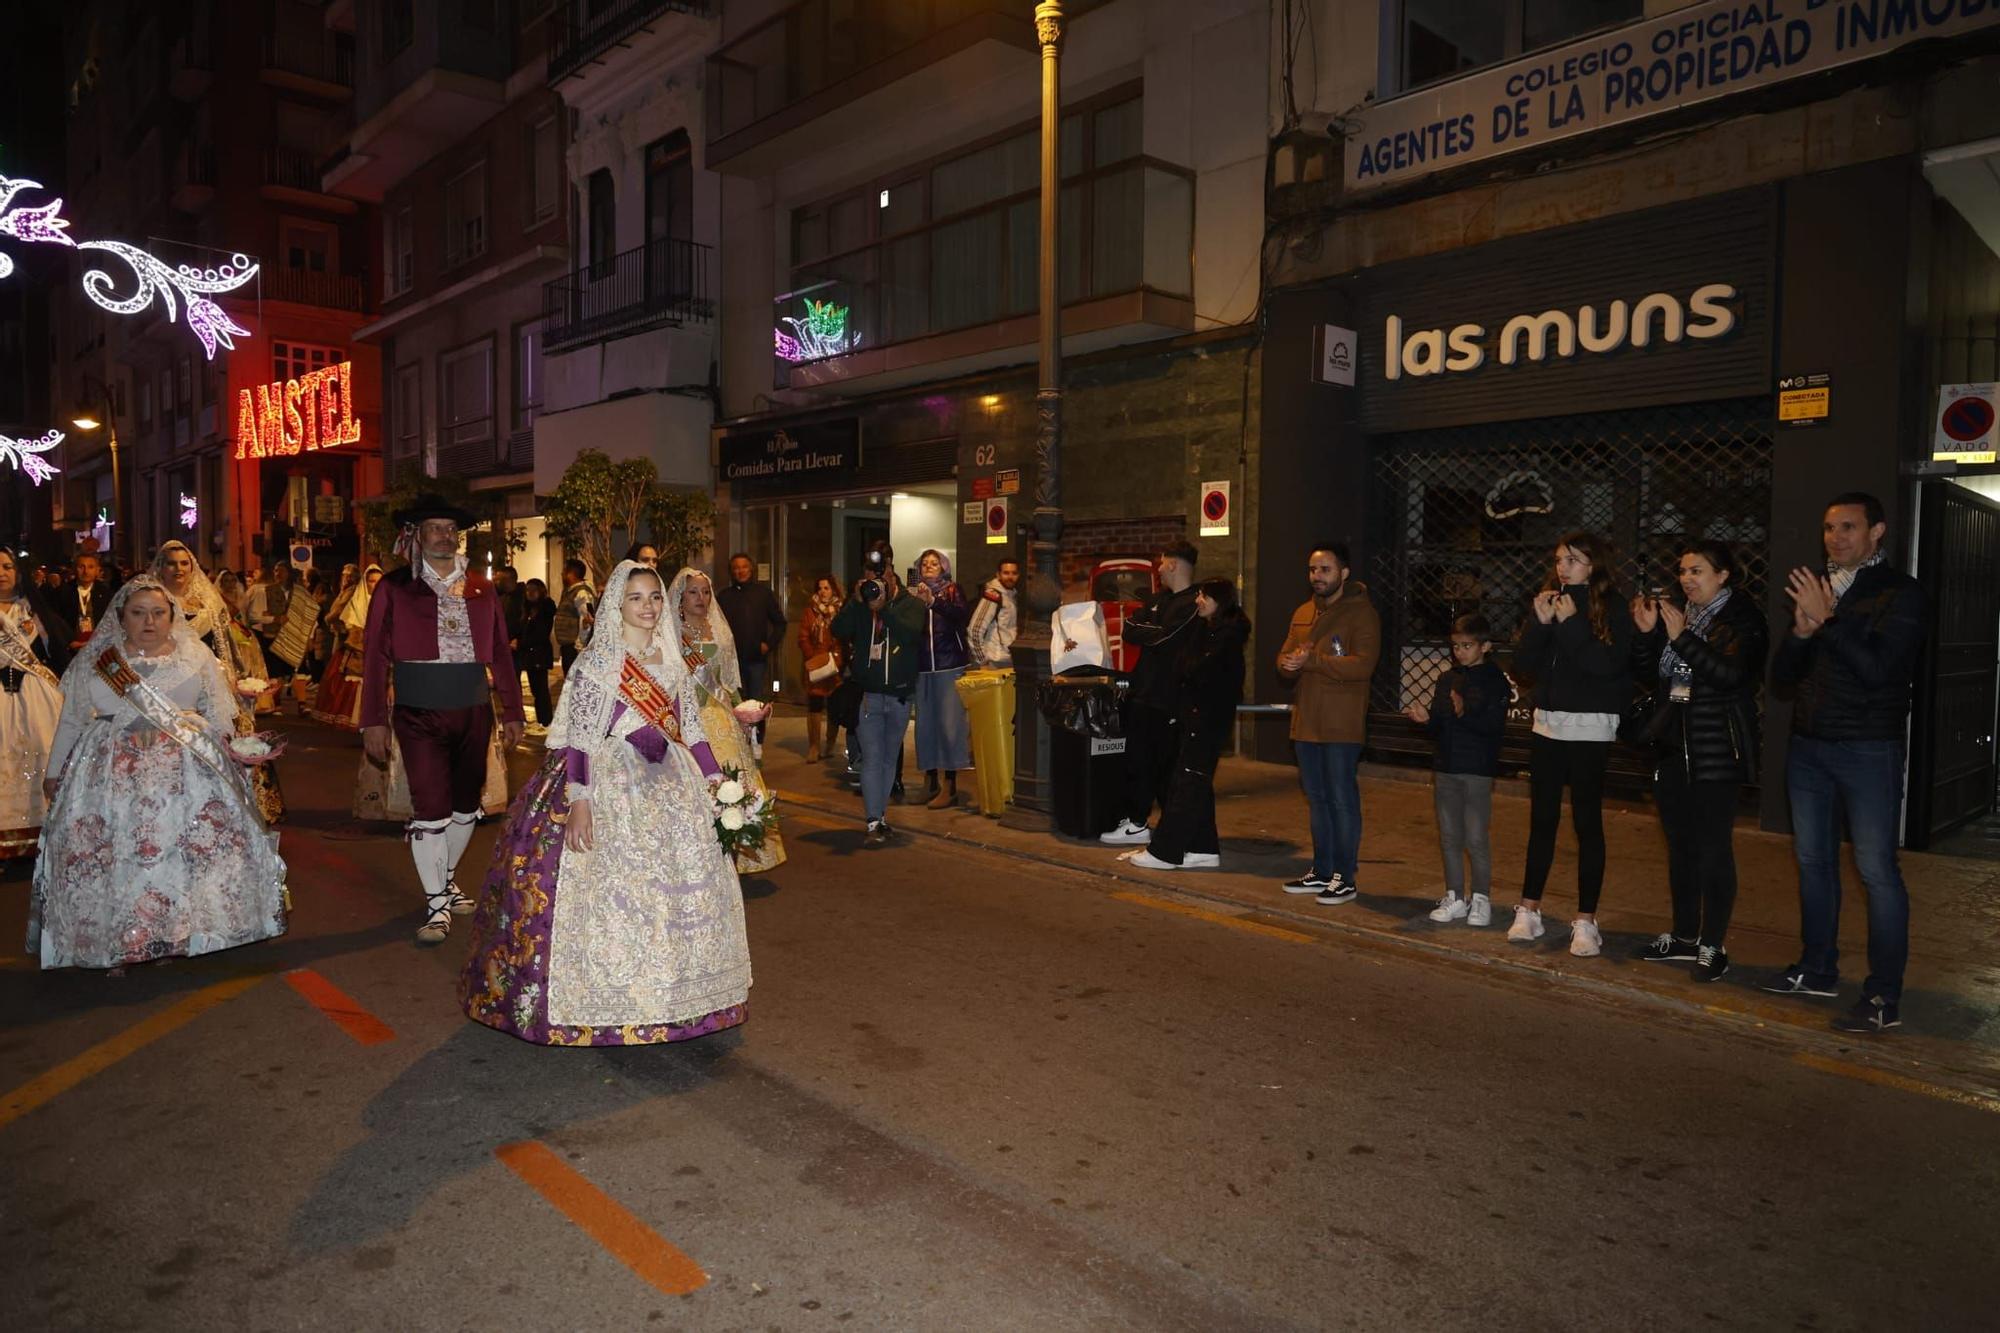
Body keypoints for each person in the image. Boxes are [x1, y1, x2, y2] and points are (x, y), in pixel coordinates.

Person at [458, 561, 750, 1046]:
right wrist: (580, 802)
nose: (647, 607)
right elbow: (583, 739)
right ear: (617, 604)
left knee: (685, 892)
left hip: (671, 778)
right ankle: (607, 1000)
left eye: (654, 597)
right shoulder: (598, 661)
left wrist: (717, 782)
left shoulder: (673, 657)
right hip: (609, 777)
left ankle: (683, 997)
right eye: (636, 598)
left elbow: (692, 731)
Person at [29, 578, 287, 971]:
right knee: (117, 856)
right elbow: (72, 720)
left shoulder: (194, 656)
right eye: (138, 613)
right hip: (110, 775)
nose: (149, 621)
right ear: (120, 617)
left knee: (179, 855)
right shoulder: (99, 659)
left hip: (185, 776)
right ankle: (120, 938)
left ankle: (176, 932)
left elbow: (218, 713)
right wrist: (54, 771)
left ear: (172, 616)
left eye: (158, 613)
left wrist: (236, 752)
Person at [1762, 492, 1924, 1033]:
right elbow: (1783, 679)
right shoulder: (1819, 588)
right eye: (1830, 528)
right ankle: (1817, 968)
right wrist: (1803, 633)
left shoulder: (1901, 592)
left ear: (1877, 532)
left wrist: (1828, 621)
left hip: (1868, 749)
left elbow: (1880, 669)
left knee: (1877, 871)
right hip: (1809, 747)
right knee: (1813, 862)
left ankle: (1882, 997)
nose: (1836, 538)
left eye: (1849, 528)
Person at [360, 496, 527, 945]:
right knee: (430, 809)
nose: (445, 537)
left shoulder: (480, 587)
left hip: (473, 707)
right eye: (434, 528)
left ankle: (446, 878)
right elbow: (374, 653)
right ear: (416, 535)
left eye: (451, 530)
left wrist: (512, 710)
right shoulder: (395, 587)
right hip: (418, 712)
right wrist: (373, 720)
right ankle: (436, 904)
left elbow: (498, 652)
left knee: (466, 808)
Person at [1627, 542, 1767, 981]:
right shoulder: (1680, 619)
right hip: (1673, 741)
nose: (1687, 579)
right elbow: (1654, 676)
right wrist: (1648, 635)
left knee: (1713, 849)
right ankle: (1685, 936)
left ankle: (1713, 943)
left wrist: (1680, 637)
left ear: (1723, 575)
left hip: (1716, 746)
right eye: (1683, 570)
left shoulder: (1743, 618)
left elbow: (1730, 675)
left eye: (1698, 571)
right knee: (1680, 846)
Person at [1507, 531, 1634, 957]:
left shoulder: (1612, 606)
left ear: (1593, 565)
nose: (1564, 567)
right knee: (1542, 820)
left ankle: (1586, 919)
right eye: (1560, 559)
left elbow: (1606, 666)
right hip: (1548, 724)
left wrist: (1572, 623)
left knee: (1586, 822)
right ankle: (1529, 908)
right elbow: (1523, 668)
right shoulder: (1550, 599)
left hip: (1591, 726)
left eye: (1574, 560)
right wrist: (1540, 625)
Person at [1276, 541, 1381, 906]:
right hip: (1306, 721)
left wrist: (1312, 661)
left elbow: (1363, 665)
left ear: (1344, 573)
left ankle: (1344, 876)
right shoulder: (1304, 611)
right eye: (1312, 570)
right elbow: (1285, 655)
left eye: (1325, 570)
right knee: (1317, 800)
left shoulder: (1362, 614)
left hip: (1341, 724)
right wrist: (1288, 662)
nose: (1316, 577)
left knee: (1341, 800)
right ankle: (1321, 871)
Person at [150, 540, 286, 823]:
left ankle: (232, 813)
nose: (178, 569)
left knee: (231, 738)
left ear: (192, 567)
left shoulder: (209, 603)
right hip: (166, 687)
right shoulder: (150, 602)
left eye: (184, 563)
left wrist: (239, 683)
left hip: (207, 682)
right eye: (171, 563)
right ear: (160, 567)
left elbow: (226, 648)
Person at [667, 567, 786, 874]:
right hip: (685, 719)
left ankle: (734, 852)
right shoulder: (668, 633)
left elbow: (728, 682)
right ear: (680, 597)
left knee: (735, 780)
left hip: (720, 716)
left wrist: (744, 713)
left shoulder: (718, 630)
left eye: (705, 592)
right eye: (693, 592)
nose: (701, 598)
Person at [1126, 578, 1249, 871]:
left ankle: (1165, 851)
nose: (1198, 601)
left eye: (1205, 596)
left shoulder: (1226, 636)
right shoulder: (1203, 630)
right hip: (1192, 715)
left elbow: (1199, 671)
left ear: (1220, 601)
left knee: (1186, 784)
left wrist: (1188, 676)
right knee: (1195, 782)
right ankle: (1202, 846)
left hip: (1206, 720)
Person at [1406, 614, 1509, 927]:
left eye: (1467, 645)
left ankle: (1481, 898)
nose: (1460, 652)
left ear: (1485, 646)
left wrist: (1463, 713)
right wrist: (1426, 720)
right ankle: (1454, 896)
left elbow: (1493, 727)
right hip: (1447, 766)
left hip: (1476, 768)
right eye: (1456, 646)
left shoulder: (1494, 680)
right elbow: (1440, 723)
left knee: (1476, 836)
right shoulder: (1448, 678)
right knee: (1449, 835)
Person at [1100, 543, 1201, 846]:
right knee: (1137, 761)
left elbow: (1169, 637)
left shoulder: (1193, 603)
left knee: (1167, 767)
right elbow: (1129, 629)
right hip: (1142, 693)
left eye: (1161, 564)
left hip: (1169, 698)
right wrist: (1155, 630)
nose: (1157, 570)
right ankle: (1136, 822)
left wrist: (1155, 630)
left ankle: (1172, 828)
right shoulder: (1158, 599)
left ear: (1172, 565)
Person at [833, 569, 925, 848]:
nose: (875, 589)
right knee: (873, 758)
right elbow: (837, 630)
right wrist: (854, 600)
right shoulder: (861, 605)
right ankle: (873, 821)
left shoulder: (913, 605)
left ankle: (880, 817)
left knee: (888, 759)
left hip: (899, 697)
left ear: (893, 583)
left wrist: (883, 610)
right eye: (872, 584)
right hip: (868, 696)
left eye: (881, 584)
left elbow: (910, 635)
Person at [0, 552, 71, 859]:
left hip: (35, 699)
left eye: (6, 566)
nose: (1, 573)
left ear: (19, 572)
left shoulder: (33, 611)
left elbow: (56, 649)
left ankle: (41, 837)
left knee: (41, 758)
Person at [908, 549, 972, 809]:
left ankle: (951, 786)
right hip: (923, 667)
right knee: (925, 727)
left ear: (943, 566)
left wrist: (934, 601)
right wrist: (915, 602)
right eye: (925, 563)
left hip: (949, 665)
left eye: (935, 563)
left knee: (949, 727)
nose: (930, 566)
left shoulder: (951, 590)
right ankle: (930, 781)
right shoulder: (913, 595)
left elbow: (960, 615)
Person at [716, 553, 785, 756]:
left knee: (755, 703)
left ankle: (757, 742)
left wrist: (768, 644)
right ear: (731, 571)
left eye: (744, 567)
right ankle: (738, 742)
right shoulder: (724, 596)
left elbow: (780, 623)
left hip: (756, 660)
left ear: (751, 569)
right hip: (731, 662)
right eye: (736, 568)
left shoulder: (763, 594)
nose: (740, 571)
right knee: (734, 703)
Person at [312, 564, 380, 728]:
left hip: (380, 649)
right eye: (371, 581)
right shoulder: (357, 599)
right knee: (354, 683)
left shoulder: (387, 600)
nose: (375, 585)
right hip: (357, 649)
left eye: (378, 581)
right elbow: (345, 619)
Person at [796, 574, 846, 763]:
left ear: (833, 589)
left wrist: (836, 657)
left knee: (834, 707)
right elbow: (803, 637)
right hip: (816, 665)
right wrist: (813, 657)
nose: (823, 591)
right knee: (815, 705)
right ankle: (814, 746)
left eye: (826, 588)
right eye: (820, 588)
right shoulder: (810, 611)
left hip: (835, 665)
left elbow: (843, 637)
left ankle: (830, 745)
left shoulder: (840, 610)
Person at [52, 552, 116, 652]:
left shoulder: (107, 594)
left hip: (99, 648)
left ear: (97, 570)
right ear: (74, 569)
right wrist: (69, 642)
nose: (86, 571)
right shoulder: (62, 592)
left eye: (90, 567)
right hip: (72, 648)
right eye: (81, 567)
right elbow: (56, 622)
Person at [516, 577, 557, 727]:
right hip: (529, 655)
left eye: (533, 590)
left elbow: (540, 633)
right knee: (536, 689)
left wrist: (520, 643)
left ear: (541, 591)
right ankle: (543, 720)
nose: (530, 593)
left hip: (539, 654)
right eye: (527, 590)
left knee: (541, 690)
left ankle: (545, 720)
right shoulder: (527, 609)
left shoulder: (545, 608)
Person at [967, 557, 1021, 669]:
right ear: (998, 574)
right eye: (1006, 573)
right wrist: (982, 661)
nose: (1010, 577)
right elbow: (975, 630)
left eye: (1014, 573)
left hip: (1007, 659)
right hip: (993, 660)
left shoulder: (1011, 596)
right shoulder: (993, 596)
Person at [554, 558, 596, 676]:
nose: (561, 574)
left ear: (571, 574)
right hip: (568, 647)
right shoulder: (569, 591)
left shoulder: (581, 593)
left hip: (574, 649)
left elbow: (586, 621)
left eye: (564, 571)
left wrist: (580, 647)